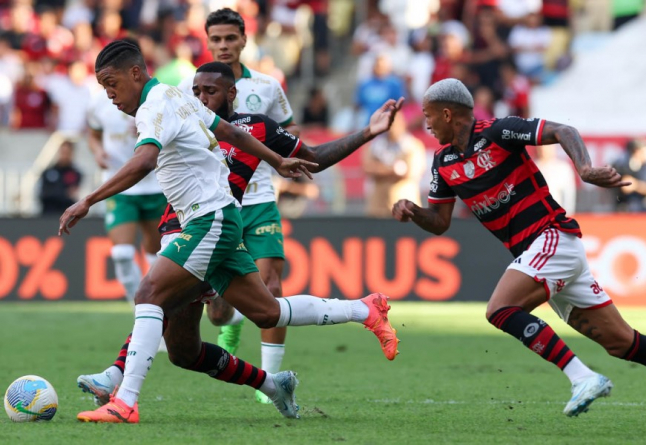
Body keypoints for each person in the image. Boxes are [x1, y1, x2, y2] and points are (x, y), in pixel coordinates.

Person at [59, 41, 400, 423]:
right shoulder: (175, 96)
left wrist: (88, 199)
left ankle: (124, 401)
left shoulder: (156, 106)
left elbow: (144, 161)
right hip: (213, 219)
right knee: (261, 315)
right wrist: (276, 159)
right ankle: (361, 311)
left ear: (135, 73)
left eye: (111, 82)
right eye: (102, 86)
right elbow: (228, 131)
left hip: (210, 219)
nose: (108, 94)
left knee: (150, 294)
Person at [392, 78, 646, 436]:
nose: (426, 123)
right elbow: (439, 222)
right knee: (623, 343)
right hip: (541, 253)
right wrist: (413, 211)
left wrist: (584, 169)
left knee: (499, 309)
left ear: (448, 113)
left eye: (428, 115)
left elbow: (564, 130)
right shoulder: (442, 162)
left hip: (552, 238)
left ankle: (582, 377)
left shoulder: (500, 132)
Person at [176, 10, 300, 389]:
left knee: (271, 287)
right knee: (217, 313)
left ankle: (273, 380)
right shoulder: (190, 87)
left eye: (231, 38)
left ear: (245, 39)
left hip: (260, 196)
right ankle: (230, 323)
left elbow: (287, 128)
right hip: (211, 203)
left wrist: (275, 155)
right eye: (216, 39)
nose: (224, 46)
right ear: (207, 41)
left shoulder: (267, 85)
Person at [87, 86, 166, 304]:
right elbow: (93, 135)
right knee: (121, 255)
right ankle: (139, 310)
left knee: (157, 258)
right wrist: (98, 152)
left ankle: (158, 309)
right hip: (119, 186)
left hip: (155, 185)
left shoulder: (155, 98)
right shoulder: (97, 102)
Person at [363, 113, 425, 217]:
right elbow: (367, 168)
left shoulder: (413, 146)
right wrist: (393, 169)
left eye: (395, 124)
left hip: (405, 209)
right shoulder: (374, 146)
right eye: (389, 124)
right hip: (378, 208)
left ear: (403, 124)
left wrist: (379, 169)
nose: (392, 128)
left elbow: (409, 173)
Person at [612, 137, 646, 213]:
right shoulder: (621, 165)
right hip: (628, 204)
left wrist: (636, 185)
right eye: (633, 151)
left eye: (638, 151)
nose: (636, 155)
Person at [39, 140, 82, 215]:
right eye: (63, 152)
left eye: (67, 153)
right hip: (48, 215)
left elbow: (73, 198)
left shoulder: (76, 174)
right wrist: (64, 194)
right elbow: (44, 195)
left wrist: (56, 193)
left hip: (67, 215)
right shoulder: (48, 172)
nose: (65, 155)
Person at [535, 144, 577, 214]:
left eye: (546, 146)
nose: (543, 149)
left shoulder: (563, 168)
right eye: (540, 146)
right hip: (535, 216)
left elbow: (568, 196)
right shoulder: (531, 167)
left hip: (556, 215)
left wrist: (567, 215)